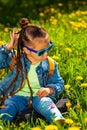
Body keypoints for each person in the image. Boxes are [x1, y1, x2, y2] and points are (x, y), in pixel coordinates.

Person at [0, 18, 65, 124]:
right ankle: (3, 123)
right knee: (8, 106)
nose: (46, 54)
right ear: (26, 50)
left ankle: (57, 120)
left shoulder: (50, 64)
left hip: (38, 97)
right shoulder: (16, 59)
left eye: (49, 48)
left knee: (46, 103)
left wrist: (49, 90)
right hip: (16, 96)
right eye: (41, 52)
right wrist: (8, 47)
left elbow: (59, 83)